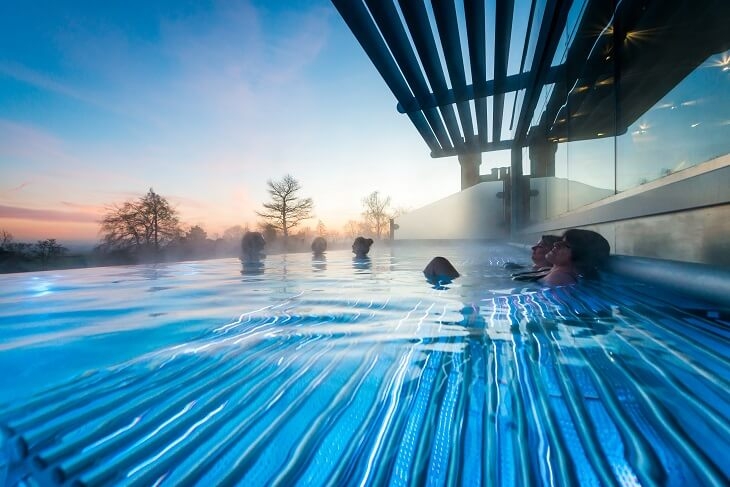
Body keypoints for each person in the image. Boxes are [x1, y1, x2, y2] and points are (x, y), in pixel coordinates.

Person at [540, 229, 610, 286]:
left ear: (581, 257)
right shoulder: (550, 272)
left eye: (566, 245)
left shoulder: (559, 279)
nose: (556, 244)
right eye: (561, 240)